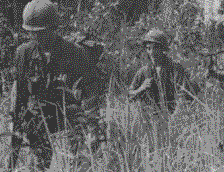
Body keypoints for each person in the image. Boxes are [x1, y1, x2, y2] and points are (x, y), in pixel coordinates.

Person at [9, 0, 109, 170]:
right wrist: (12, 156)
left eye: (41, 32)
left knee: (82, 149)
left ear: (54, 28)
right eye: (33, 33)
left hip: (68, 112)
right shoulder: (23, 53)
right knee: (40, 158)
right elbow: (19, 98)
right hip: (38, 113)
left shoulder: (74, 52)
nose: (37, 37)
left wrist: (92, 124)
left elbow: (93, 88)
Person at [127, 28, 200, 152]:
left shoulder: (175, 68)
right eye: (149, 48)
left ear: (163, 50)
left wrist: (175, 119)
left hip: (172, 119)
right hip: (150, 123)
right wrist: (141, 88)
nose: (152, 52)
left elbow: (185, 95)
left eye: (156, 48)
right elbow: (130, 96)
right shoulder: (143, 72)